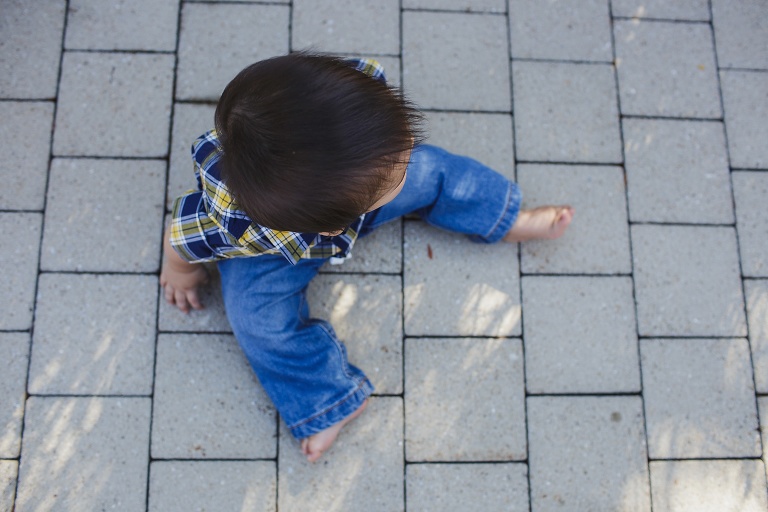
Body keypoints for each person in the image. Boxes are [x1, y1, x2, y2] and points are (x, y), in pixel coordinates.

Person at [161, 53, 573, 463]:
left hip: (342, 195)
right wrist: (180, 271)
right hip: (273, 255)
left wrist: (385, 143)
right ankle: (327, 401)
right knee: (257, 321)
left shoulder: (357, 99)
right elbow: (181, 237)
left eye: (401, 146)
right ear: (331, 227)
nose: (407, 152)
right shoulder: (232, 222)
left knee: (432, 171)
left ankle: (504, 214)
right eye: (395, 167)